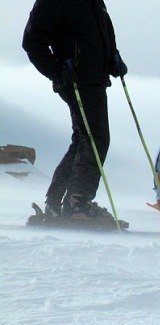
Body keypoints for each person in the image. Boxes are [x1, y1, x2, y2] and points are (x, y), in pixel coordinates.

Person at [22, 0, 128, 225]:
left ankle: (57, 203)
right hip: (77, 80)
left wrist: (113, 57)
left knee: (85, 138)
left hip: (93, 78)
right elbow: (32, 41)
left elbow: (102, 32)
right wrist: (56, 70)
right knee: (96, 138)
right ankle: (77, 204)